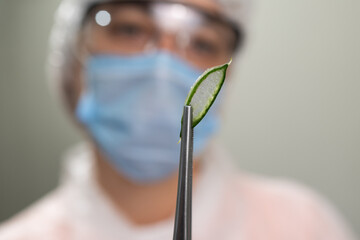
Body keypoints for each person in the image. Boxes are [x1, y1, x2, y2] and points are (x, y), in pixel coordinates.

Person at [0, 0, 357, 239]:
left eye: (201, 43)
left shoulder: (303, 227)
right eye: (130, 29)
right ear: (73, 54)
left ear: (225, 77)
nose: (163, 65)